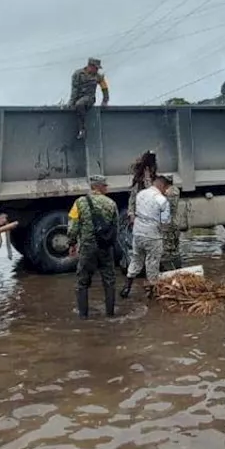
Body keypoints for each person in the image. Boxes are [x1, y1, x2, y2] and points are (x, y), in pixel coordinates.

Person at [68, 174, 119, 318]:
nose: (107, 188)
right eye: (105, 185)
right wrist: (111, 244)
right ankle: (110, 315)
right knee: (109, 280)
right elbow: (116, 228)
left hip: (87, 247)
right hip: (105, 247)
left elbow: (73, 227)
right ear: (99, 186)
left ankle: (83, 316)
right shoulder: (111, 203)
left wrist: (72, 243)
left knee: (82, 281)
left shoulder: (79, 203)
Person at [121, 173, 172, 299]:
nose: (166, 191)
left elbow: (136, 211)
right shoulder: (162, 200)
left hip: (138, 233)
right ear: (163, 185)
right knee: (152, 262)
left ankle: (126, 287)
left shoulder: (141, 194)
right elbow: (165, 222)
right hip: (152, 235)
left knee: (136, 259)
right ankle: (152, 292)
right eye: (166, 188)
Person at [69, 57, 110, 140]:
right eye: (96, 68)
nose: (97, 70)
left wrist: (105, 101)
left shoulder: (98, 77)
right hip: (78, 96)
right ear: (90, 66)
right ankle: (80, 129)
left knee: (80, 104)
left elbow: (104, 89)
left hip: (89, 98)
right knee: (76, 104)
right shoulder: (78, 74)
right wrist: (71, 102)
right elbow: (74, 89)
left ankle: (82, 129)